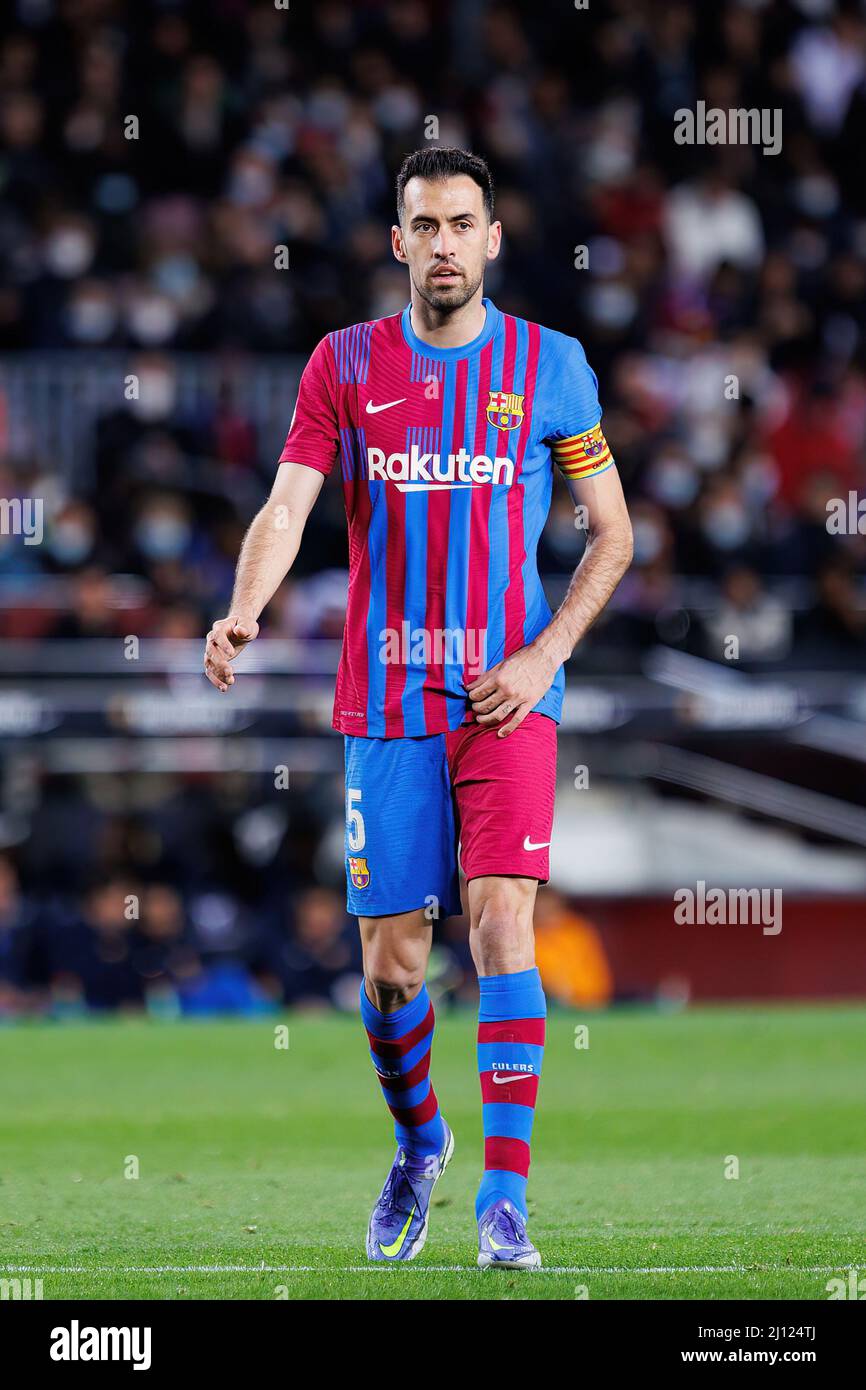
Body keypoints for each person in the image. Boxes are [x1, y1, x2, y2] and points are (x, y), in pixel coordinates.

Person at [203, 147, 633, 1269]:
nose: (443, 244)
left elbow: (615, 531)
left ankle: (505, 1202)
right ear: (396, 242)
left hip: (506, 698)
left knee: (499, 922)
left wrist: (544, 656)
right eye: (423, 225)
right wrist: (244, 607)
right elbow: (286, 506)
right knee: (391, 966)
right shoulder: (342, 364)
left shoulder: (551, 366)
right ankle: (419, 1142)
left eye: (461, 224)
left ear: (493, 239)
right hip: (385, 698)